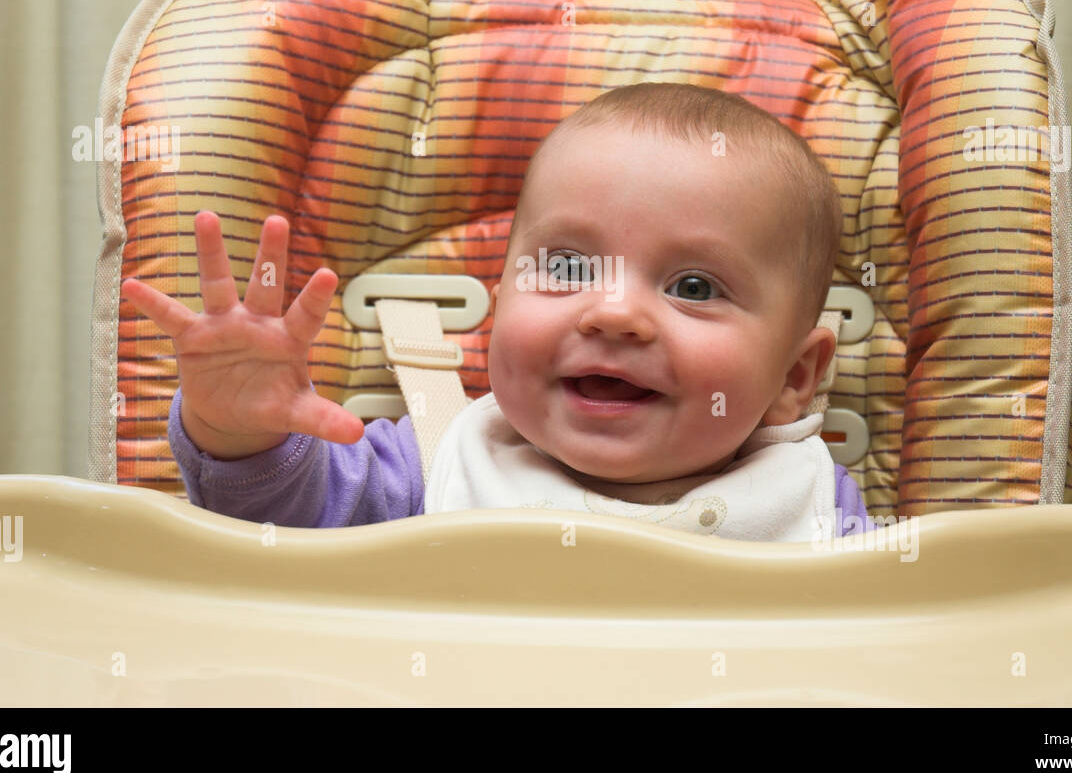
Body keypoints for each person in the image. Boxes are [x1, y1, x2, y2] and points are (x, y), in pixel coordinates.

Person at [122, 82, 874, 542]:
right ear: (500, 302)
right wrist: (238, 428)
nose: (614, 313)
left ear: (795, 376)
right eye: (569, 268)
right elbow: (271, 535)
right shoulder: (440, 461)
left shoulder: (809, 503)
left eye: (694, 288)